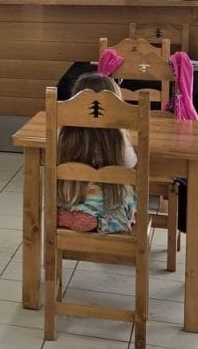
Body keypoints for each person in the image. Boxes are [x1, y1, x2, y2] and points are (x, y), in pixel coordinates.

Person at [54, 73, 138, 233]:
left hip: (71, 196)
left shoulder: (63, 131)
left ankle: (68, 216)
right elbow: (130, 164)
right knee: (129, 197)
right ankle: (99, 222)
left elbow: (56, 158)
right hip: (105, 202)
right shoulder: (117, 134)